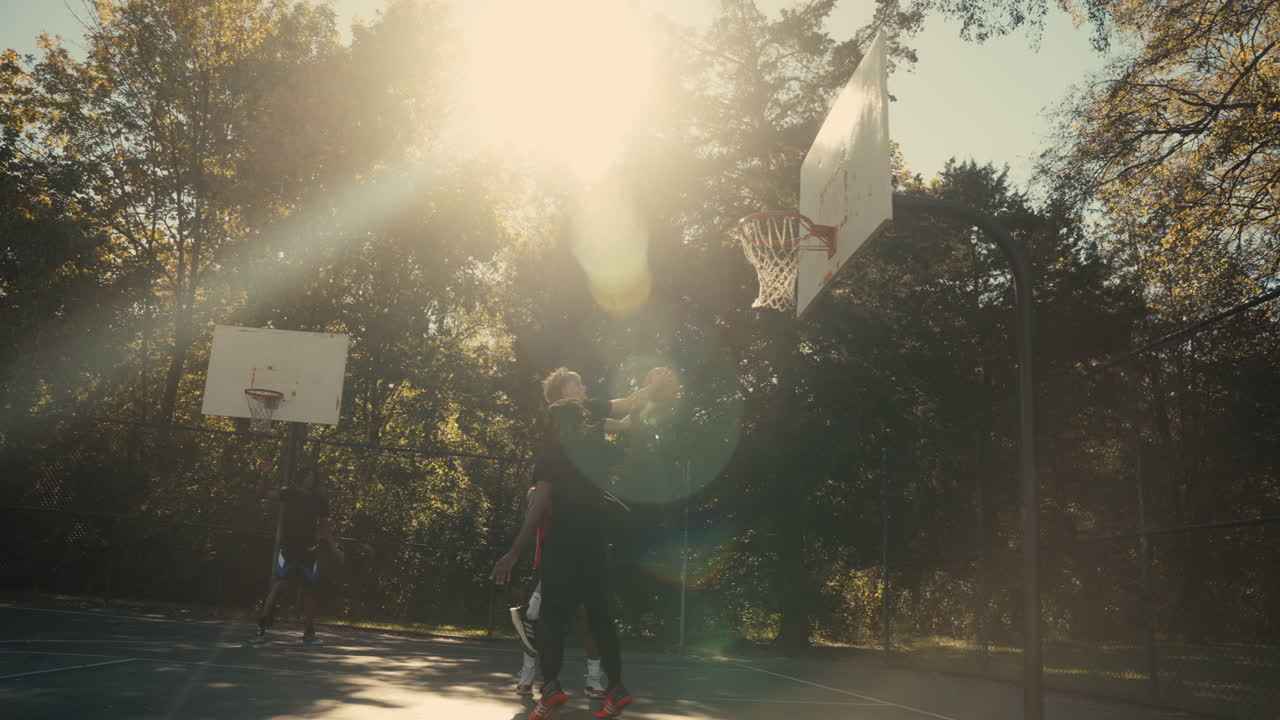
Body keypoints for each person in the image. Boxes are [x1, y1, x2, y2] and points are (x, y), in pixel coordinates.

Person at [493, 367, 672, 719]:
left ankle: (552, 687)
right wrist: (646, 403)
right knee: (599, 616)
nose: (585, 387)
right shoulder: (595, 446)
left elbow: (541, 503)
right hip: (594, 540)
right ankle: (614, 687)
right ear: (562, 394)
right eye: (579, 383)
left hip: (561, 541)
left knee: (549, 618)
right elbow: (631, 428)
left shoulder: (558, 445)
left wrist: (514, 551)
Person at [252, 459, 343, 645]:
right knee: (278, 587)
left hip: (308, 551)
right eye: (308, 476)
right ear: (301, 478)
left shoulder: (319, 501)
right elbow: (261, 494)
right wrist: (264, 474)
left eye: (313, 477)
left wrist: (335, 549)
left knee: (310, 591)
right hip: (288, 549)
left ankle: (309, 633)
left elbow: (325, 529)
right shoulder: (289, 493)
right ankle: (260, 629)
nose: (311, 480)